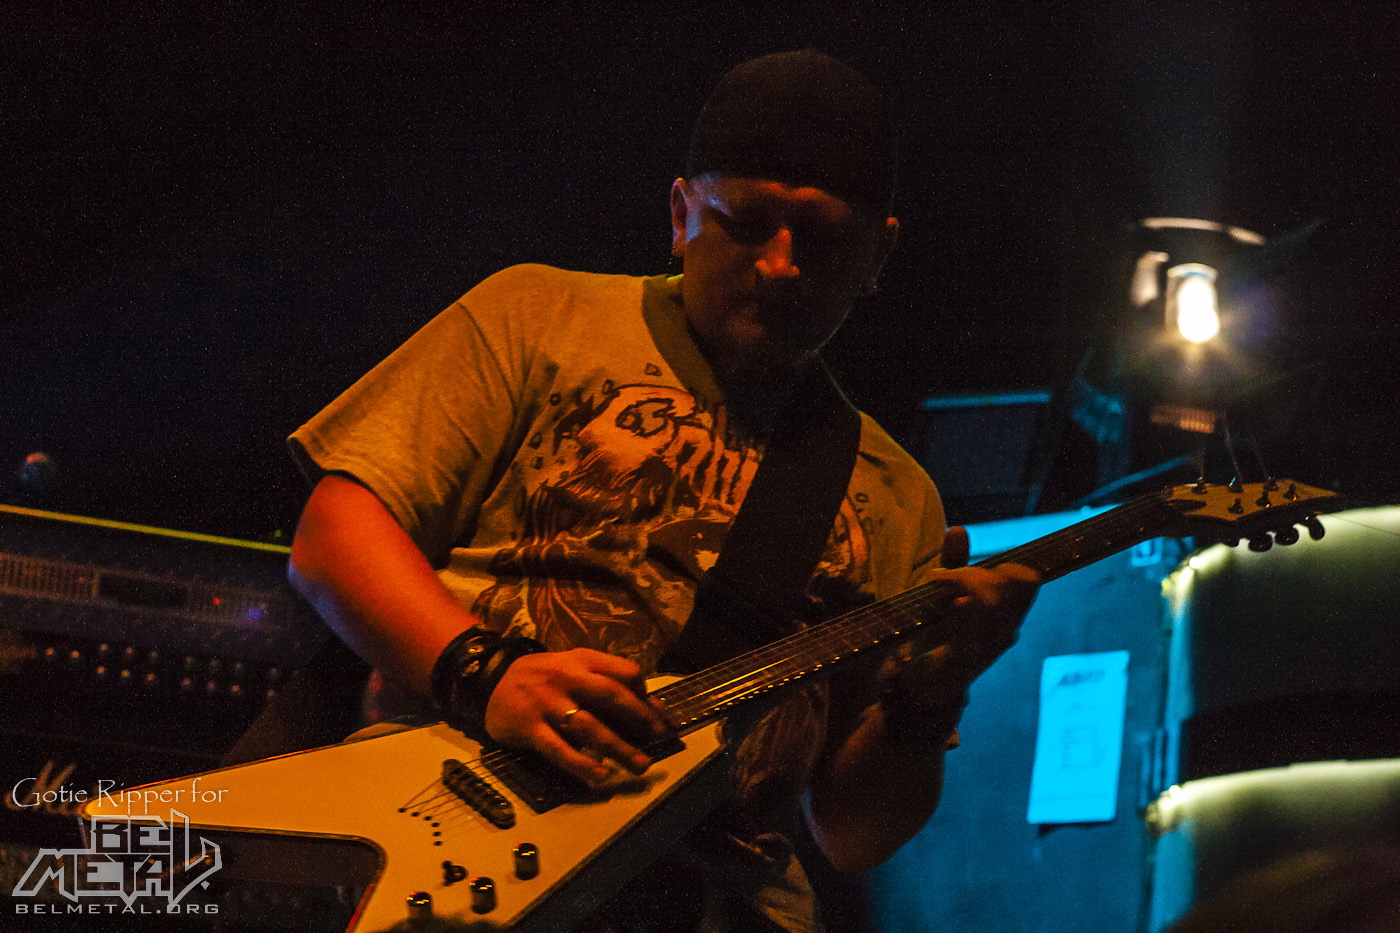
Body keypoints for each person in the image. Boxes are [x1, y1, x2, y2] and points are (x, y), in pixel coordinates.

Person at [286, 50, 1039, 933]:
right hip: (452, 856)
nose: (781, 265)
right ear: (681, 215)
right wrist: (488, 675)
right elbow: (333, 535)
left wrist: (929, 699)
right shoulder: (538, 317)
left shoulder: (900, 493)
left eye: (823, 240)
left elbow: (852, 834)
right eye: (744, 224)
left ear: (880, 253)